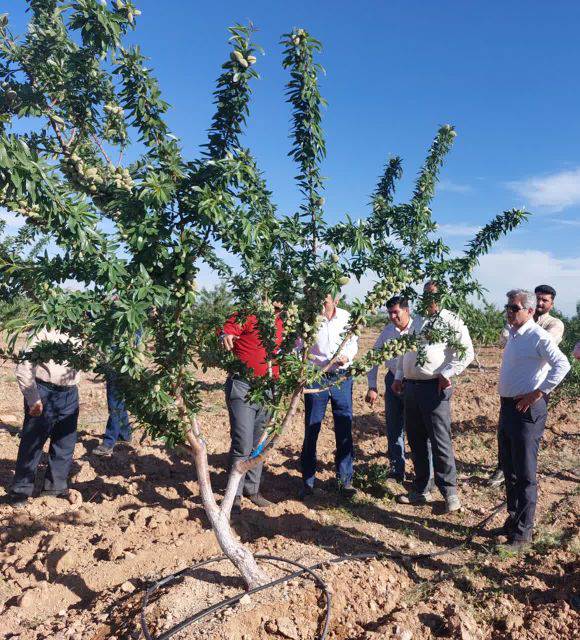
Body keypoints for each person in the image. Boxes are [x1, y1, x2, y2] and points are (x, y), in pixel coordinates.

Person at [495, 289, 570, 551]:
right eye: (508, 306)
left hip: (527, 411)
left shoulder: (537, 336)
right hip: (508, 409)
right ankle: (514, 520)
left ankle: (523, 535)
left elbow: (563, 364)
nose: (510, 311)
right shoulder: (514, 335)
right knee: (510, 468)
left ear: (529, 311)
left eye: (515, 308)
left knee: (525, 473)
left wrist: (538, 392)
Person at [393, 282, 474, 513]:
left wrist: (447, 373)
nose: (428, 299)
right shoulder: (417, 320)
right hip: (412, 387)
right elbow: (406, 350)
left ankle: (449, 492)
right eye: (426, 295)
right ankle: (422, 489)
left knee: (440, 441)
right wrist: (400, 375)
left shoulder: (451, 320)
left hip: (434, 388)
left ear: (444, 296)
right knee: (417, 440)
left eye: (433, 295)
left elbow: (467, 352)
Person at [490, 283, 565, 487]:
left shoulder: (552, 325)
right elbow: (503, 340)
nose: (541, 302)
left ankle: (524, 512)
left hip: (534, 391)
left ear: (551, 303)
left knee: (524, 448)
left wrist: (538, 393)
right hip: (513, 395)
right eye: (538, 297)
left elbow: (553, 353)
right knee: (506, 438)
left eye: (545, 300)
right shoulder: (516, 327)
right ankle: (504, 470)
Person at [220, 305, 283, 514]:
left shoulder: (286, 321)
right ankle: (234, 496)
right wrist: (226, 334)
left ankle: (252, 490)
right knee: (242, 442)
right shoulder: (248, 313)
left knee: (259, 443)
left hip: (269, 389)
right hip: (243, 386)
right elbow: (229, 328)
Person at [7, 328, 81, 507]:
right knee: (32, 443)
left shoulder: (81, 331)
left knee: (65, 444)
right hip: (44, 391)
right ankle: (21, 491)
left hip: (70, 393)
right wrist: (33, 399)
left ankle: (54, 489)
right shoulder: (44, 330)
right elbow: (25, 366)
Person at [299, 294, 358, 498]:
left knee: (344, 425)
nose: (322, 305)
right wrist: (307, 368)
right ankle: (307, 482)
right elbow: (299, 347)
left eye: (325, 301)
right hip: (317, 376)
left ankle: (345, 481)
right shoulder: (310, 320)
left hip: (342, 377)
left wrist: (346, 357)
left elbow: (353, 343)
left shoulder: (346, 317)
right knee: (312, 427)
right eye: (320, 301)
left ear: (336, 301)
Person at [366, 296, 416, 482]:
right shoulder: (388, 331)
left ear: (407, 310)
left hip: (413, 382)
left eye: (396, 312)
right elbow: (373, 358)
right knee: (394, 427)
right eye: (390, 313)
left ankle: (423, 474)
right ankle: (397, 471)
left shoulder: (417, 329)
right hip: (392, 381)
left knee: (416, 430)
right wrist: (372, 386)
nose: (393, 316)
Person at [92, 375, 132, 456]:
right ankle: (124, 434)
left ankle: (109, 443)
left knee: (114, 402)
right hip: (122, 367)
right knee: (118, 401)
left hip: (114, 367)